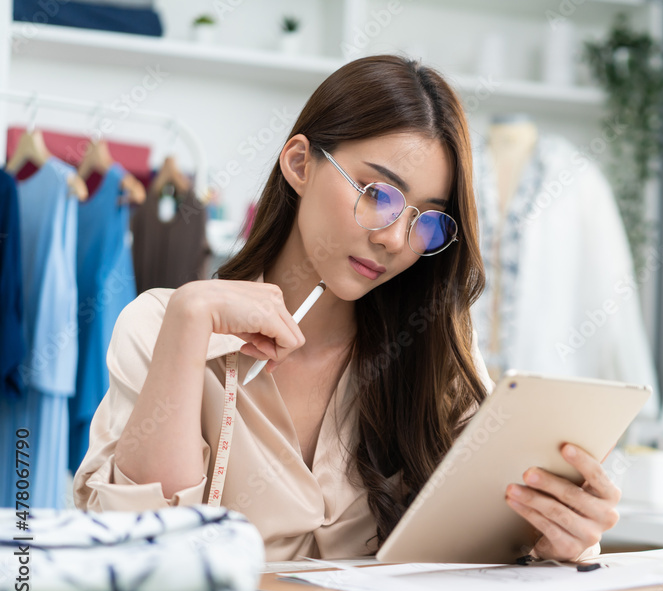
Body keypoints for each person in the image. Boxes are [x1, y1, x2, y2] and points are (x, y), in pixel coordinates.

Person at [73, 55, 621, 562]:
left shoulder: (438, 353)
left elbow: (479, 555)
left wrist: (557, 539)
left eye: (426, 221)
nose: (395, 240)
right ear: (299, 163)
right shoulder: (164, 324)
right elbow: (138, 551)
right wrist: (189, 325)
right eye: (379, 195)